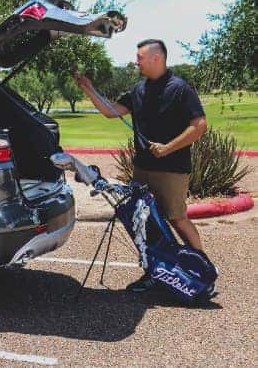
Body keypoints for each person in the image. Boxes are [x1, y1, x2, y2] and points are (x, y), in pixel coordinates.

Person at [74, 39, 208, 293]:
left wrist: (168, 147)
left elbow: (199, 125)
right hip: (142, 169)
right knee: (146, 224)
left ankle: (200, 270)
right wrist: (88, 89)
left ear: (156, 58)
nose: (136, 61)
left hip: (172, 169)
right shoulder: (138, 90)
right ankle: (154, 274)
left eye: (140, 57)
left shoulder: (180, 89)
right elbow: (111, 111)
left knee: (177, 219)